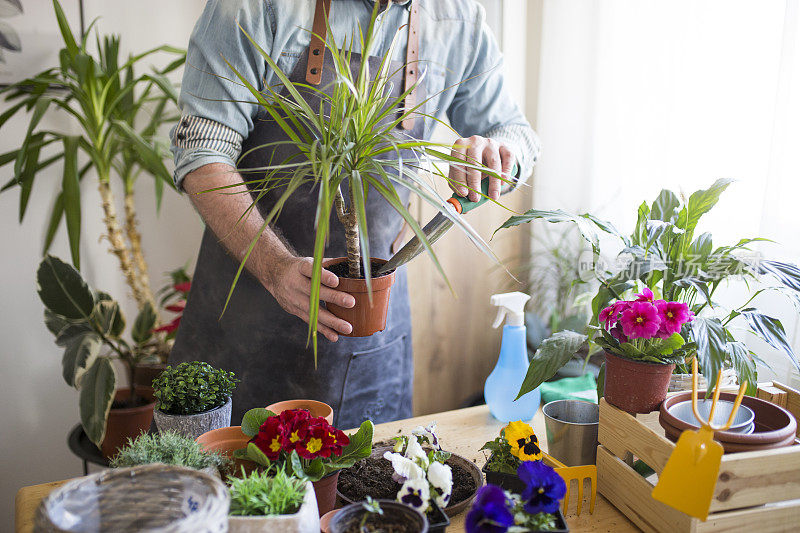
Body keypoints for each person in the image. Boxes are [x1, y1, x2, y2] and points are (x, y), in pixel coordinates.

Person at [169, 0, 539, 428]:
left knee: (368, 481)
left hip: (370, 330)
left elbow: (516, 134)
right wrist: (275, 268)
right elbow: (201, 150)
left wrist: (496, 155)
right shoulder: (258, 6)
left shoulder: (457, 18)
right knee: (237, 483)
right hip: (244, 325)